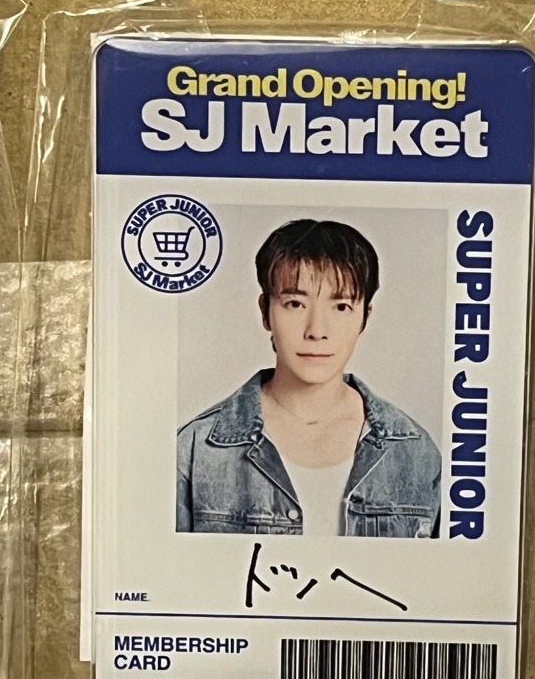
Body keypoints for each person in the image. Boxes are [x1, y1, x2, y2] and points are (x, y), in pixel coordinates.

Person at [176, 219, 440, 537]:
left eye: (341, 307)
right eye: (295, 304)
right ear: (265, 311)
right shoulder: (195, 449)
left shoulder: (416, 452)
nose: (316, 331)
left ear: (364, 317)